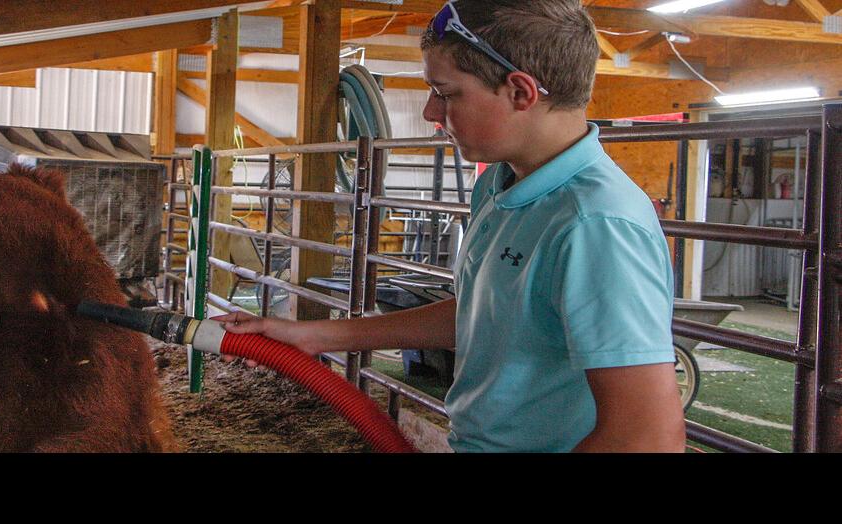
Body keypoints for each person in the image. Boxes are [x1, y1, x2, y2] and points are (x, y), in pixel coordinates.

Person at [215, 0, 686, 452]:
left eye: (445, 93)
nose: (430, 112)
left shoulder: (596, 225)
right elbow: (485, 312)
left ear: (521, 92)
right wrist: (316, 335)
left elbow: (645, 439)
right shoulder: (502, 183)